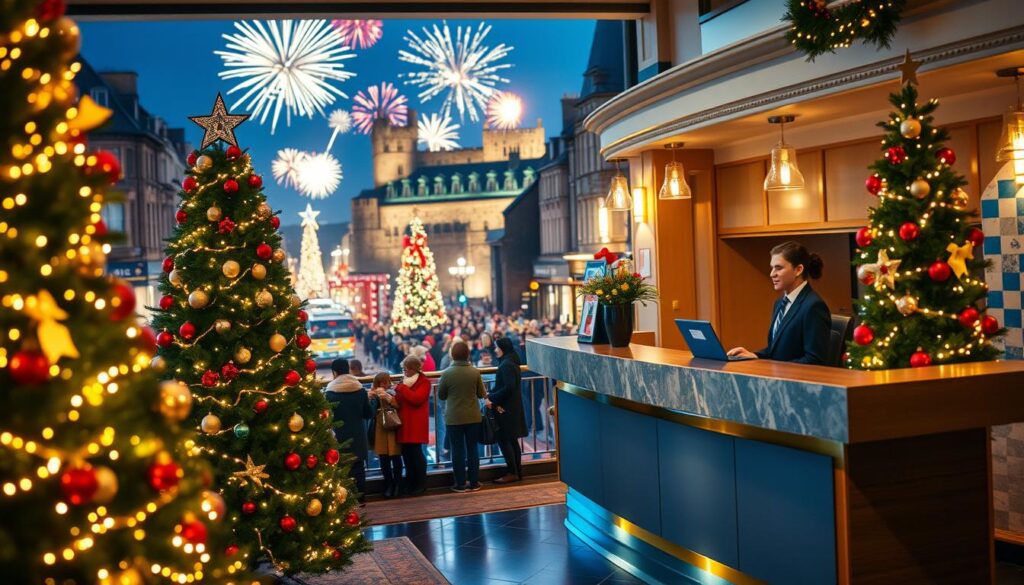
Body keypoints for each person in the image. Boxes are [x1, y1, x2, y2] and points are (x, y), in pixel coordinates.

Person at [727, 241, 831, 364]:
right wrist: (754, 355)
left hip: (797, 382)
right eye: (772, 268)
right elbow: (776, 352)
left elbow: (814, 360)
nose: (772, 274)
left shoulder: (813, 306)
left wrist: (773, 367)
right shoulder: (780, 302)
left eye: (779, 268)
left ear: (798, 270)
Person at [437, 341, 486, 492]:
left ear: (452, 355)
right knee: (472, 449)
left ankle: (460, 483)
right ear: (467, 354)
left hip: (454, 417)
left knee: (457, 450)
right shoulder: (474, 372)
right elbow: (481, 394)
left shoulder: (447, 373)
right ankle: (474, 482)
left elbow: (441, 395)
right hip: (473, 416)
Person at [324, 358, 372, 501]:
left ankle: (345, 500)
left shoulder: (329, 393)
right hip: (358, 436)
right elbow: (368, 414)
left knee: (341, 470)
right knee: (358, 469)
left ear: (334, 372)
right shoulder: (360, 390)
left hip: (339, 437)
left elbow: (327, 418)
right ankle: (361, 499)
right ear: (348, 370)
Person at [486, 337, 527, 483]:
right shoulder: (511, 361)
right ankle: (516, 471)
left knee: (505, 439)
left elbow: (509, 387)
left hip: (505, 408)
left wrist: (492, 397)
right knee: (512, 439)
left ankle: (512, 472)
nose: (495, 350)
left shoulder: (506, 365)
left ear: (502, 349)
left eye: (497, 348)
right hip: (511, 407)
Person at [394, 355, 431, 495]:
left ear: (413, 369)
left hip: (416, 423)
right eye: (403, 369)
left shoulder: (424, 382)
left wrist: (402, 388)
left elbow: (417, 399)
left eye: (406, 369)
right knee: (407, 454)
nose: (404, 372)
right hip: (404, 422)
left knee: (416, 454)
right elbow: (399, 400)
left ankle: (421, 483)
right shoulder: (404, 383)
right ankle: (410, 482)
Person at [368, 372, 403, 498]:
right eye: (382, 382)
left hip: (393, 427)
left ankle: (398, 484)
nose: (386, 384)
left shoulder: (393, 393)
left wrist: (389, 398)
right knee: (384, 458)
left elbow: (399, 406)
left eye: (387, 381)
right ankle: (388, 484)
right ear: (377, 383)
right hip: (380, 429)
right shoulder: (373, 395)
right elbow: (370, 413)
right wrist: (373, 398)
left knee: (396, 457)